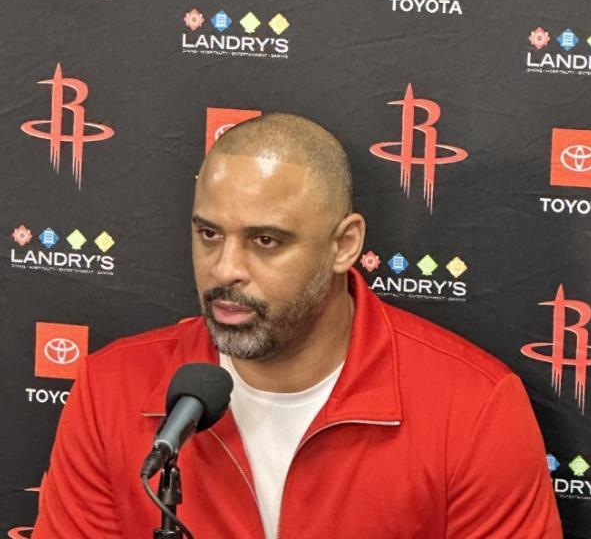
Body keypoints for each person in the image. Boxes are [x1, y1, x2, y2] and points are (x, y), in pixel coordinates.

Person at [33, 114, 562, 538]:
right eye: (209, 234)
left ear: (343, 245)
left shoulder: (472, 409)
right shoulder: (111, 390)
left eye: (266, 241)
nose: (224, 269)